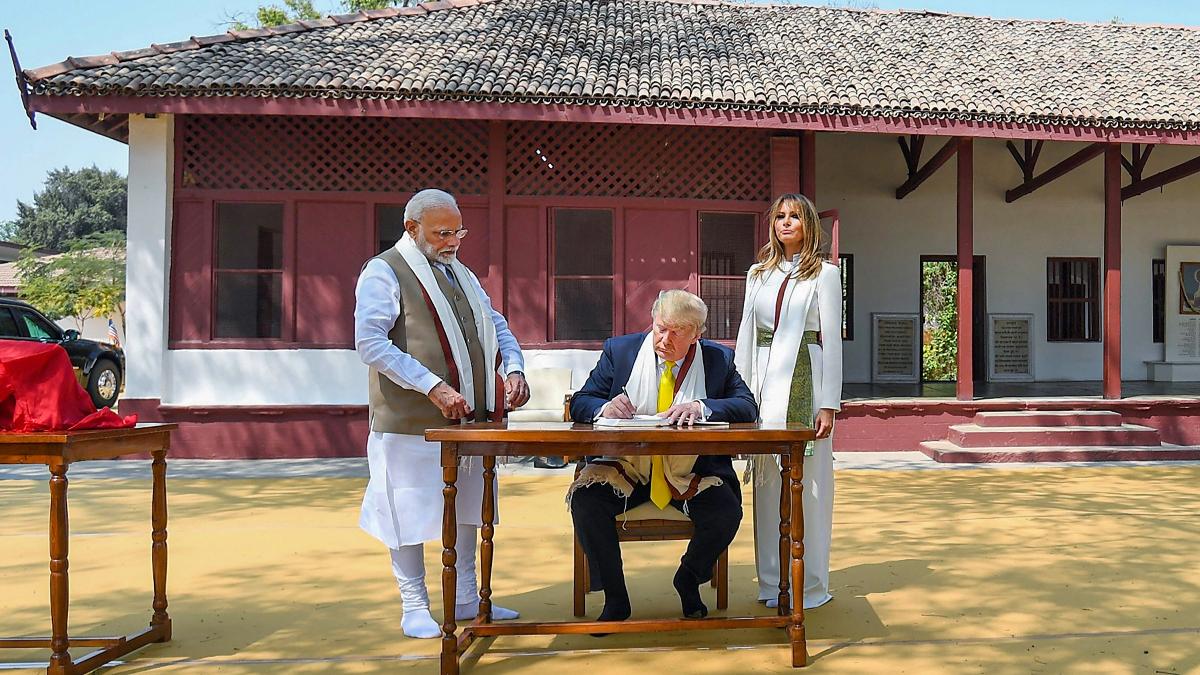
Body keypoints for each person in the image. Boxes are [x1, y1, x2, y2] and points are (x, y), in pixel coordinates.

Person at [354, 188, 531, 638]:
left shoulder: (462, 274)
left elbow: (497, 324)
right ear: (411, 229)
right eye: (442, 232)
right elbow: (371, 343)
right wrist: (432, 386)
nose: (452, 240)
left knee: (470, 505)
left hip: (471, 418)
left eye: (458, 231)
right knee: (407, 510)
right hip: (410, 420)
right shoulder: (384, 270)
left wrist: (514, 369)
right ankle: (414, 605)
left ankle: (467, 596)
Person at [568, 290, 757, 624]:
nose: (665, 339)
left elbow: (747, 406)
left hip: (689, 474)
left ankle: (688, 577)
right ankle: (615, 599)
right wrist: (604, 407)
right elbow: (582, 401)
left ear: (697, 334)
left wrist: (701, 406)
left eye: (678, 332)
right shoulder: (621, 351)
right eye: (660, 328)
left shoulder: (717, 360)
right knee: (586, 502)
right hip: (626, 471)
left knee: (726, 511)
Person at [734, 193, 843, 611]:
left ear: (808, 224)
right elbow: (746, 334)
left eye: (794, 216)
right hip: (764, 381)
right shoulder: (758, 273)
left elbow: (830, 341)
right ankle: (771, 581)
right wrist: (742, 393)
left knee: (809, 485)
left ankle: (810, 582)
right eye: (779, 216)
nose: (785, 222)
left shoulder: (825, 275)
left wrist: (828, 402)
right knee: (767, 482)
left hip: (806, 379)